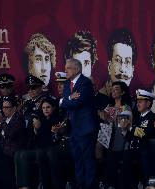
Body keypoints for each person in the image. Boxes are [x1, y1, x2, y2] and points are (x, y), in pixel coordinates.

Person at [60, 58, 98, 189]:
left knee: (88, 160)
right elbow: (63, 103)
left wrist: (66, 100)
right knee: (77, 160)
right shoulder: (66, 84)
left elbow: (77, 103)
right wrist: (69, 98)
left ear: (77, 69)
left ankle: (90, 186)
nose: (65, 70)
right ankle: (80, 185)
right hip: (73, 129)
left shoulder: (85, 82)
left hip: (85, 129)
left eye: (68, 68)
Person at [15, 97, 60, 189]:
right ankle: (24, 186)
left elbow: (56, 140)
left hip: (54, 149)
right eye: (43, 108)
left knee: (48, 153)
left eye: (48, 107)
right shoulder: (39, 119)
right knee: (20, 154)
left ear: (53, 108)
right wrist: (36, 128)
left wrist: (56, 133)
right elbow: (33, 137)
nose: (45, 110)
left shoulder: (57, 119)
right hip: (40, 148)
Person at [98, 81, 132, 189]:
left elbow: (122, 126)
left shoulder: (126, 108)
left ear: (122, 92)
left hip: (120, 142)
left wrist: (108, 118)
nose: (113, 91)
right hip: (108, 141)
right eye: (112, 89)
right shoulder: (109, 106)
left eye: (116, 89)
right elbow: (104, 121)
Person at [100, 28, 137, 96]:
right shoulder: (99, 100)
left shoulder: (133, 102)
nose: (122, 69)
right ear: (109, 67)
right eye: (118, 60)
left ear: (132, 70)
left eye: (127, 62)